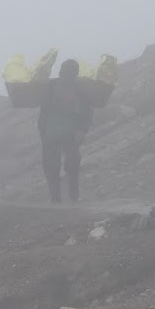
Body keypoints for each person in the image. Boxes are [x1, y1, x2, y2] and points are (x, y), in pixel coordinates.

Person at [38, 59, 95, 203]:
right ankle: (56, 198)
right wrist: (42, 131)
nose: (67, 76)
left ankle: (73, 197)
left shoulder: (79, 90)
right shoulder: (50, 87)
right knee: (52, 166)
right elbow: (43, 111)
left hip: (68, 133)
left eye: (70, 73)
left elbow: (86, 111)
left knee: (72, 164)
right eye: (66, 72)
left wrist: (82, 130)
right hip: (51, 133)